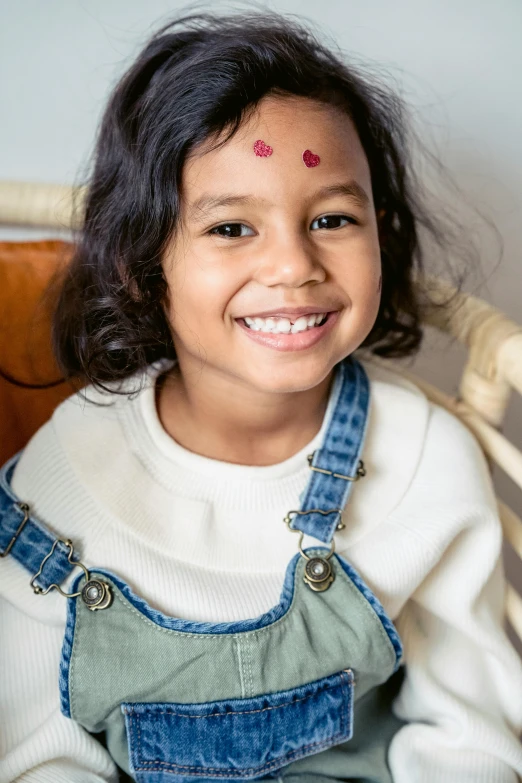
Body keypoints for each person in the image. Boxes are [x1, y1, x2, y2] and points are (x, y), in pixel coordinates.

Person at [1, 9, 521, 783]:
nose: (293, 264)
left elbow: (470, 738)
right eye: (233, 228)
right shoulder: (67, 474)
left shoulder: (424, 458)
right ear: (143, 264)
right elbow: (38, 754)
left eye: (333, 218)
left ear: (383, 232)